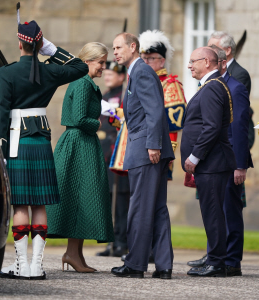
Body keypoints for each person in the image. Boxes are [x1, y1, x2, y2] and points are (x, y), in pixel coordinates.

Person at [0, 8, 88, 280]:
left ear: (19, 42)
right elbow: (80, 66)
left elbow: (1, 113)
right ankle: (36, 267)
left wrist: (0, 149)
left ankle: (21, 265)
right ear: (38, 43)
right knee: (39, 205)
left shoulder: (7, 73)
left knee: (21, 205)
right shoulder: (49, 73)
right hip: (40, 140)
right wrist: (49, 48)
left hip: (16, 140)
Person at [110, 33, 175, 279]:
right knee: (157, 209)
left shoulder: (142, 71)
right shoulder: (137, 72)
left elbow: (155, 111)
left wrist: (153, 146)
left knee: (139, 208)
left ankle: (136, 264)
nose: (115, 52)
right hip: (148, 147)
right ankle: (163, 265)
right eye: (113, 48)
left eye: (119, 47)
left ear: (133, 47)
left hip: (147, 149)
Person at [46, 42, 115, 273]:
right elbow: (79, 119)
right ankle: (72, 254)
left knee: (82, 197)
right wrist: (98, 123)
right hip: (79, 144)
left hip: (80, 143)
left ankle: (75, 254)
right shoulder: (83, 83)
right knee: (81, 196)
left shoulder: (84, 82)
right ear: (87, 62)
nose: (103, 67)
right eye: (101, 62)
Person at [188, 30, 253, 269]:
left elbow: (238, 127)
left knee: (229, 210)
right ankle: (216, 255)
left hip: (226, 159)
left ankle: (231, 260)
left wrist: (240, 164)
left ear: (221, 57)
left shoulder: (235, 84)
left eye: (212, 49)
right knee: (216, 210)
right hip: (212, 158)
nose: (209, 53)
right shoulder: (216, 84)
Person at [181, 47, 236, 277]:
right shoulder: (211, 85)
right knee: (211, 211)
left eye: (193, 61)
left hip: (212, 162)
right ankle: (214, 258)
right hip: (211, 162)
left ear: (206, 62)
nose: (189, 65)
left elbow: (211, 127)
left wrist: (195, 156)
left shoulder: (213, 87)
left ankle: (216, 262)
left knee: (213, 212)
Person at [138, 30, 186, 181]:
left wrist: (166, 154)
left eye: (151, 58)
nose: (145, 62)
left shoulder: (170, 85)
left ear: (162, 61)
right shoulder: (139, 82)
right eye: (143, 58)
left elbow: (173, 123)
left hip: (157, 151)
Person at [96, 61, 130, 258]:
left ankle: (121, 242)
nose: (107, 77)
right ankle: (110, 242)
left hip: (117, 152)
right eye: (106, 73)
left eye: (111, 74)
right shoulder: (104, 96)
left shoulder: (124, 95)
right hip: (103, 153)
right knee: (108, 200)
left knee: (121, 200)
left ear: (121, 76)